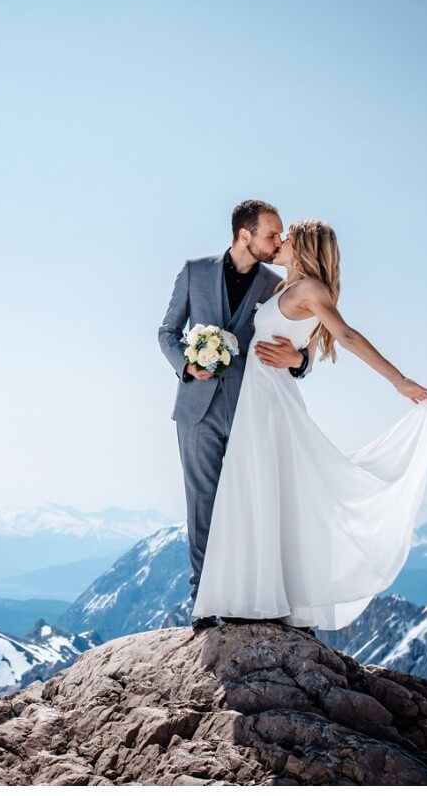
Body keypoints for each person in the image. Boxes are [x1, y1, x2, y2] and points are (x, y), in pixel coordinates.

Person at [191, 218, 427, 632]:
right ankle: (253, 595)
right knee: (260, 492)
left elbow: (348, 335)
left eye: (289, 237)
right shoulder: (282, 286)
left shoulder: (311, 290)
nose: (281, 241)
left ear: (305, 247)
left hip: (270, 404)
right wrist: (297, 357)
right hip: (257, 400)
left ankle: (264, 601)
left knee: (267, 490)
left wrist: (398, 380)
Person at [157, 199, 314, 632]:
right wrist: (187, 365)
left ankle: (255, 598)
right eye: (271, 233)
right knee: (202, 505)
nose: (279, 241)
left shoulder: (275, 285)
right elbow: (167, 332)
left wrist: (298, 360)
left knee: (255, 504)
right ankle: (203, 603)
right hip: (197, 410)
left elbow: (303, 346)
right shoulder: (194, 271)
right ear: (245, 235)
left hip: (252, 413)